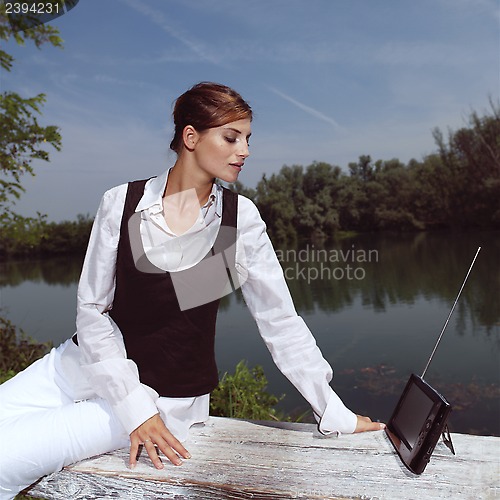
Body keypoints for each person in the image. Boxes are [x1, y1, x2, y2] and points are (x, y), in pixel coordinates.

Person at [0, 82, 384, 499]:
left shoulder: (240, 219)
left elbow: (280, 321)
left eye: (248, 139)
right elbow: (92, 309)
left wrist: (331, 409)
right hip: (77, 366)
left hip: (160, 398)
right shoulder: (121, 202)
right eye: (231, 137)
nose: (245, 151)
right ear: (190, 137)